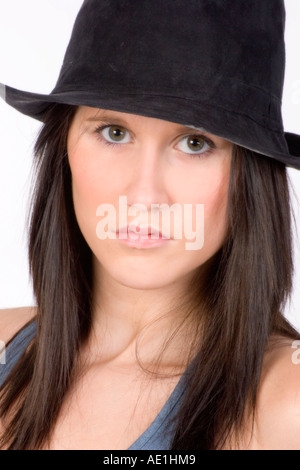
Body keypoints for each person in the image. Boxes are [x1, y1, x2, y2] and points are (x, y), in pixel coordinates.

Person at [0, 0, 300, 451]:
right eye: (114, 133)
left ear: (250, 176)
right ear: (64, 148)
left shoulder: (286, 402)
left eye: (195, 142)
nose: (143, 196)